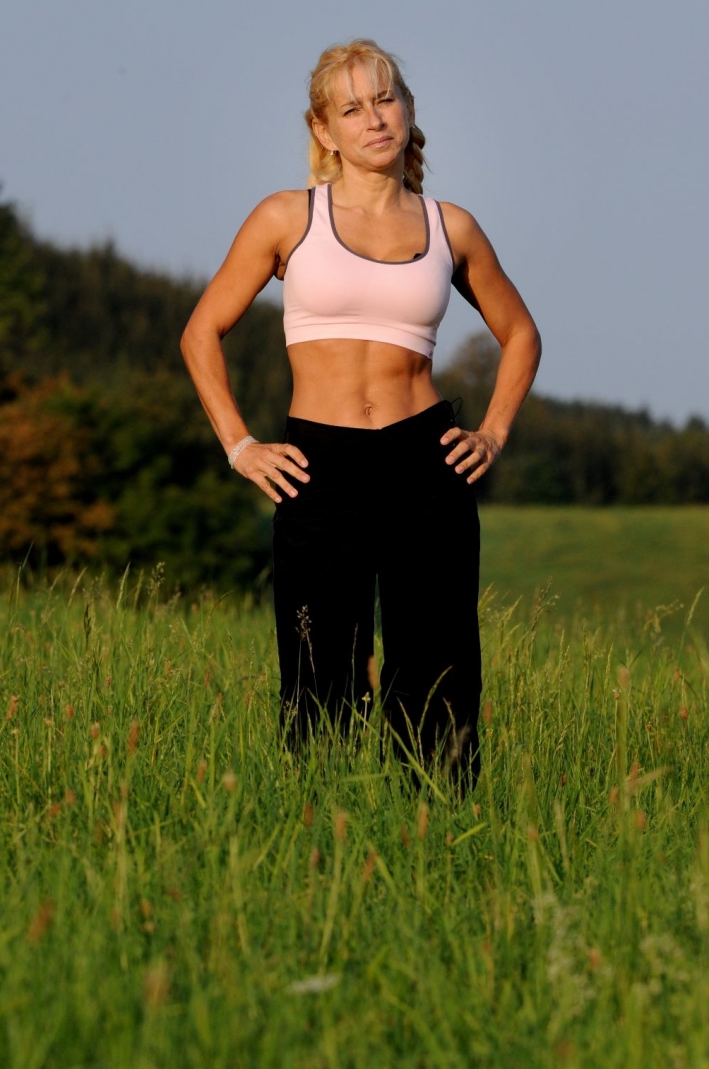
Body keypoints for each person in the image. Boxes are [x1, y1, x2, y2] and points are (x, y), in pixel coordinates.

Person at [181, 39, 541, 783]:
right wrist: (240, 446)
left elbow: (521, 333)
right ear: (323, 130)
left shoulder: (452, 227)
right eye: (352, 107)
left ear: (408, 110)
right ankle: (323, 840)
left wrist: (494, 432)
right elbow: (200, 332)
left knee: (436, 668)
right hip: (320, 464)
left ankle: (438, 835)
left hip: (426, 462)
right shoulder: (287, 217)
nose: (374, 118)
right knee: (320, 668)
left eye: (385, 99)